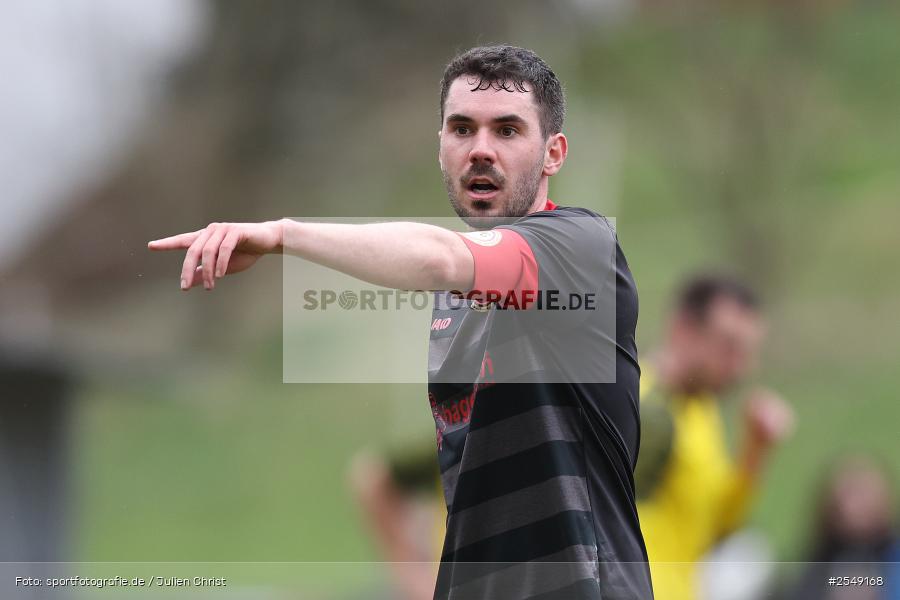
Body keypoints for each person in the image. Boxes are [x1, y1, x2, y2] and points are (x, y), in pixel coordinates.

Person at [150, 45, 653, 599]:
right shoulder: (454, 298)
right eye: (462, 129)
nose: (480, 150)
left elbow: (437, 255)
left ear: (553, 153)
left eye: (507, 131)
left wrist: (282, 235)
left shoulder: (579, 248)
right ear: (440, 147)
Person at [634, 274, 794, 600]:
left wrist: (755, 449)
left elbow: (719, 526)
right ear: (682, 329)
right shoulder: (634, 402)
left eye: (747, 352)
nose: (741, 368)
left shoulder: (702, 411)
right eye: (729, 347)